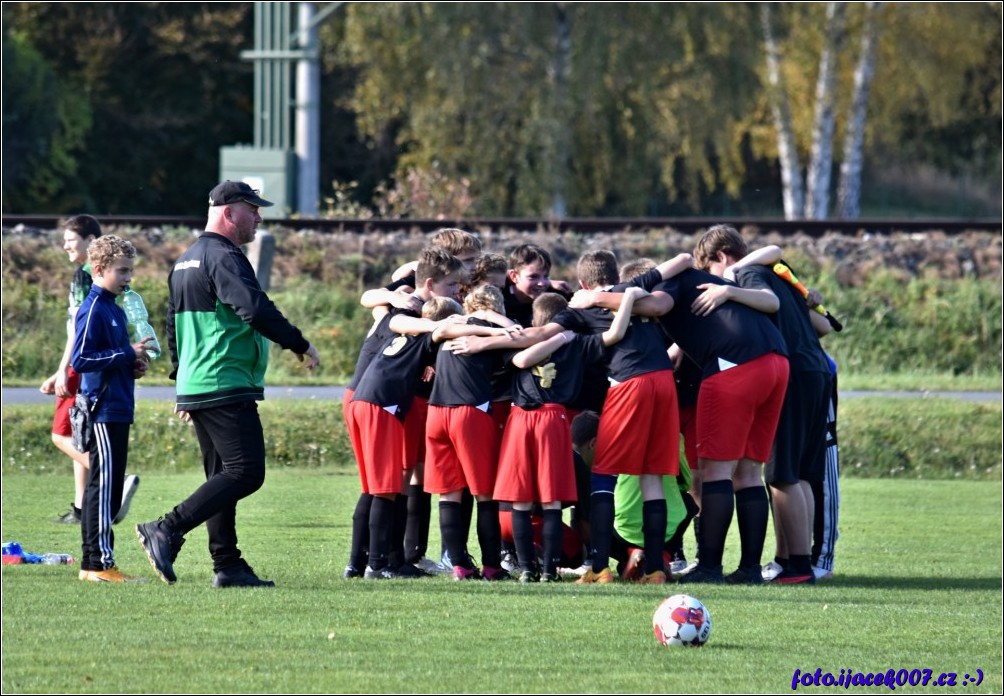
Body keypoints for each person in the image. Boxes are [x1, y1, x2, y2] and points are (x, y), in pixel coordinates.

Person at [136, 181, 320, 588]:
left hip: (200, 381)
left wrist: (182, 382)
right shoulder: (223, 256)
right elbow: (254, 308)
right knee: (246, 472)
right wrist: (299, 342)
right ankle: (166, 528)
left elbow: (173, 326)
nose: (258, 218)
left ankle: (228, 565)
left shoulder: (185, 259)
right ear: (228, 212)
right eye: (252, 210)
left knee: (221, 475)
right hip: (224, 378)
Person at [696, 225, 831, 584]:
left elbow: (769, 299)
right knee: (799, 472)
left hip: (794, 372)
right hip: (815, 369)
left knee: (781, 473)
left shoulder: (748, 274)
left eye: (710, 269)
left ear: (720, 257)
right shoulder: (778, 275)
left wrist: (729, 286)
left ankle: (799, 566)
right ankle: (790, 560)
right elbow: (823, 326)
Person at [494, 287, 645, 583]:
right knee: (549, 500)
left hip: (522, 419)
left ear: (535, 321)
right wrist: (627, 299)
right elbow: (614, 334)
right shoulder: (573, 341)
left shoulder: (525, 338)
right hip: (552, 419)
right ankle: (545, 571)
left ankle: (530, 569)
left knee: (524, 500)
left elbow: (522, 360)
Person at [42, 215, 139, 526]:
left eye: (71, 240)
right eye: (123, 271)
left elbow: (80, 335)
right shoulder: (98, 295)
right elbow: (83, 337)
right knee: (73, 435)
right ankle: (85, 502)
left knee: (67, 435)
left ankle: (97, 490)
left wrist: (131, 361)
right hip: (91, 381)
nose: (66, 246)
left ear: (90, 241)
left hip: (90, 377)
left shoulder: (93, 284)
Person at [71, 235, 155, 582]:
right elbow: (81, 359)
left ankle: (93, 564)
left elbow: (110, 359)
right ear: (99, 269)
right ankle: (99, 564)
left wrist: (132, 364)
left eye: (130, 271)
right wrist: (125, 353)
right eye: (121, 271)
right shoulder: (93, 308)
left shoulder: (114, 308)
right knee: (104, 489)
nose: (128, 278)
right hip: (103, 410)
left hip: (118, 407)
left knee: (107, 488)